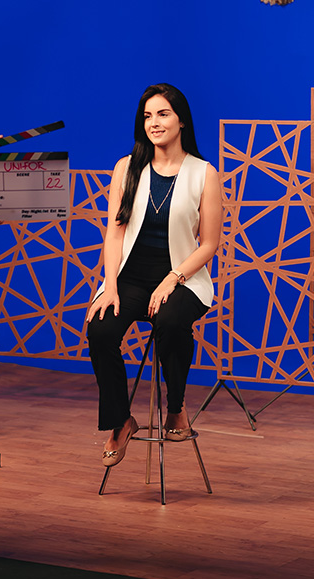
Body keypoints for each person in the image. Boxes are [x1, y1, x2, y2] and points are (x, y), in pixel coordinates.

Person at [86, 83, 222, 467]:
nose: (154, 123)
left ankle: (176, 407)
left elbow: (208, 244)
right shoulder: (127, 167)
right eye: (147, 116)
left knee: (171, 319)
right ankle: (120, 420)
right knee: (100, 329)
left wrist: (172, 278)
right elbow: (114, 232)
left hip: (181, 277)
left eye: (163, 114)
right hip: (129, 277)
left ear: (181, 120)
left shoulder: (203, 173)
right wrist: (108, 286)